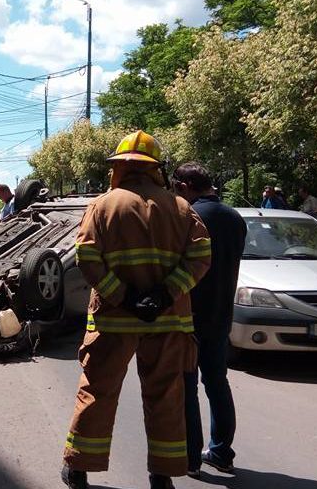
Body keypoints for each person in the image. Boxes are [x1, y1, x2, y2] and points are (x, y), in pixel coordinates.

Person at [62, 131, 211, 489]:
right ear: (155, 169)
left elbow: (87, 257)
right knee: (165, 397)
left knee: (97, 392)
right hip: (167, 322)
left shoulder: (103, 205)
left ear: (121, 167)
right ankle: (162, 477)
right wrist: (164, 294)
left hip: (114, 322)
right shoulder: (180, 208)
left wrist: (123, 297)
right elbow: (201, 256)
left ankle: (79, 468)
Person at [172, 162, 246, 477]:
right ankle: (220, 452)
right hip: (221, 316)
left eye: (177, 189)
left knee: (188, 388)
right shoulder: (235, 218)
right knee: (217, 383)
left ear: (186, 186)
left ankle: (191, 458)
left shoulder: (188, 217)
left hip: (189, 317)